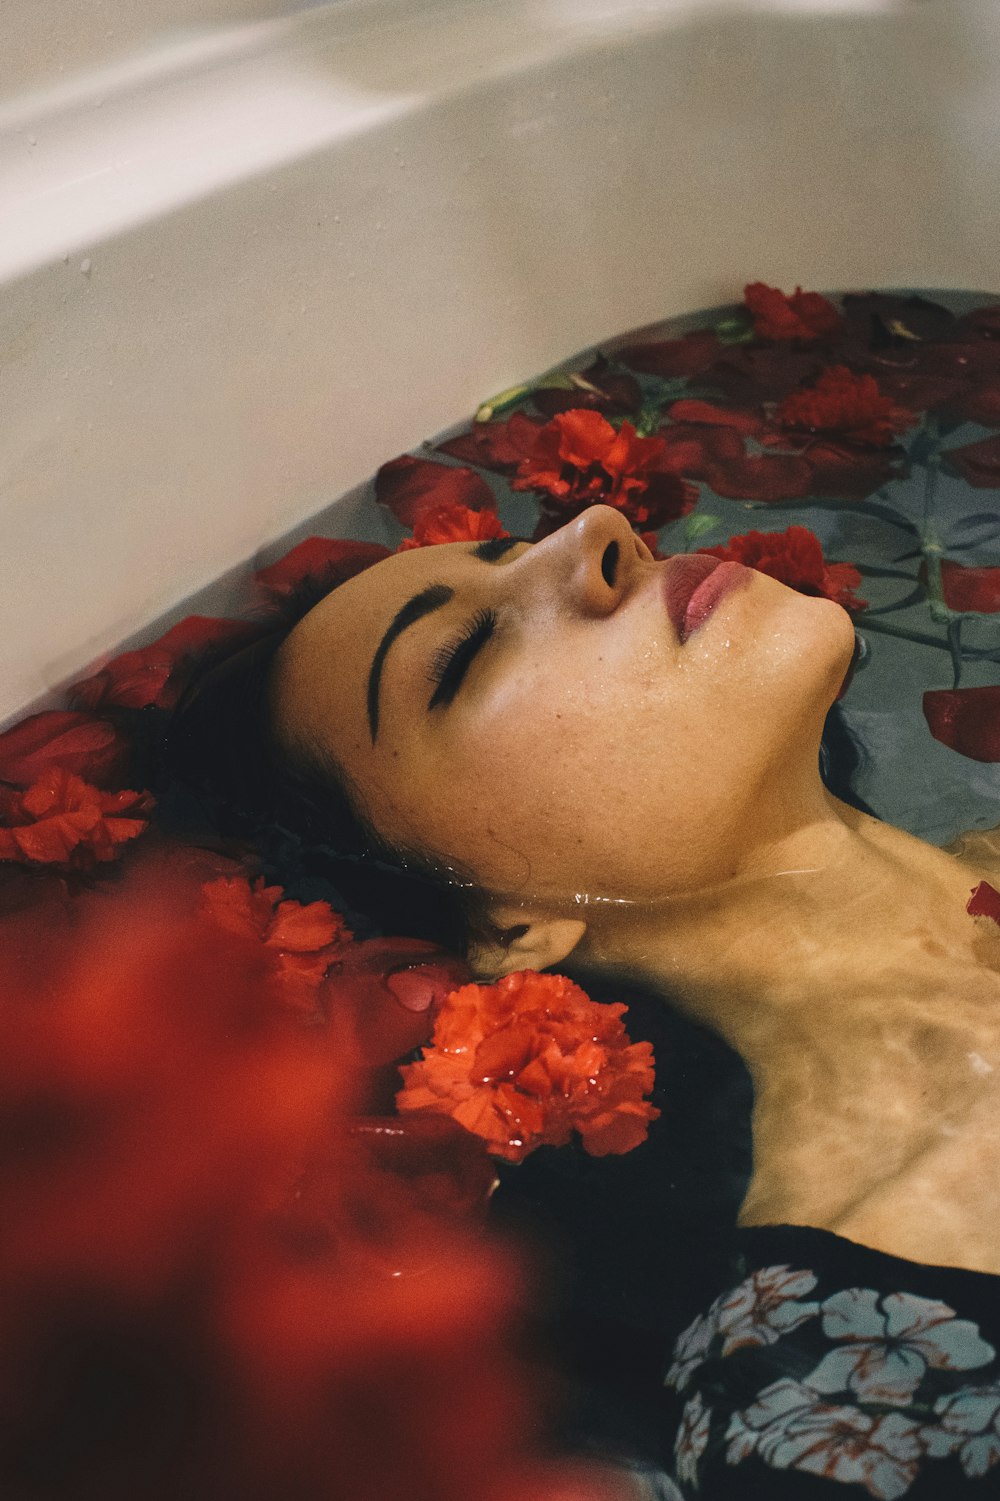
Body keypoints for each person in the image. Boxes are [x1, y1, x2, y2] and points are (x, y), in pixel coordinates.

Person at [179, 504, 1000, 1496]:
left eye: (517, 547)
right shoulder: (844, 1377)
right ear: (508, 931)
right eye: (465, 653)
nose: (600, 528)